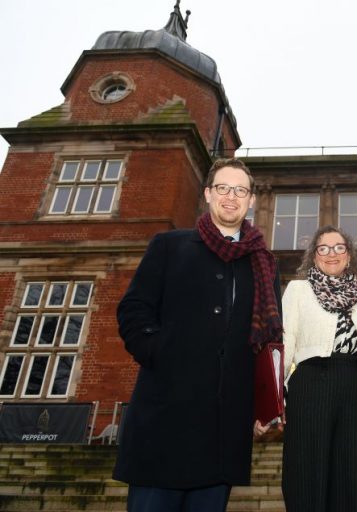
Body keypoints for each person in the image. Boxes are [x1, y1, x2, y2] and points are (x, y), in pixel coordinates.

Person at [114, 158, 282, 512]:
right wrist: (159, 351)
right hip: (164, 422)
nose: (231, 197)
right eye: (223, 188)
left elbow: (267, 343)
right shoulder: (169, 246)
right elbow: (134, 309)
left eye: (240, 190)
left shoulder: (264, 264)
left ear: (252, 200)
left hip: (222, 433)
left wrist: (262, 405)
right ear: (208, 194)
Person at [280, 226, 357, 512]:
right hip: (310, 386)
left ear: (349, 255)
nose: (332, 254)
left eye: (339, 247)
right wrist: (275, 397)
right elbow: (284, 341)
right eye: (323, 248)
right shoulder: (298, 290)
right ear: (314, 256)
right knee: (306, 474)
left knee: (352, 475)